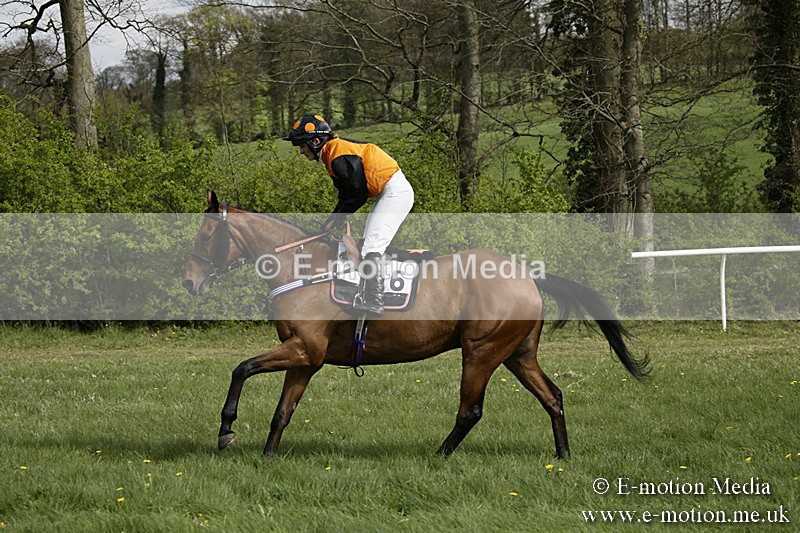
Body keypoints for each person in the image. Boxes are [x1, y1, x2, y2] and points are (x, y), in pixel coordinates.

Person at [284, 114, 414, 317]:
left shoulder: (337, 156)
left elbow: (357, 194)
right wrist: (334, 219)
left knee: (372, 247)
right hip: (389, 192)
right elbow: (346, 195)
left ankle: (376, 302)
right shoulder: (332, 154)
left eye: (302, 145)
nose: (301, 151)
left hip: (395, 193)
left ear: (316, 141)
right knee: (368, 246)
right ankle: (370, 293)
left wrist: (337, 218)